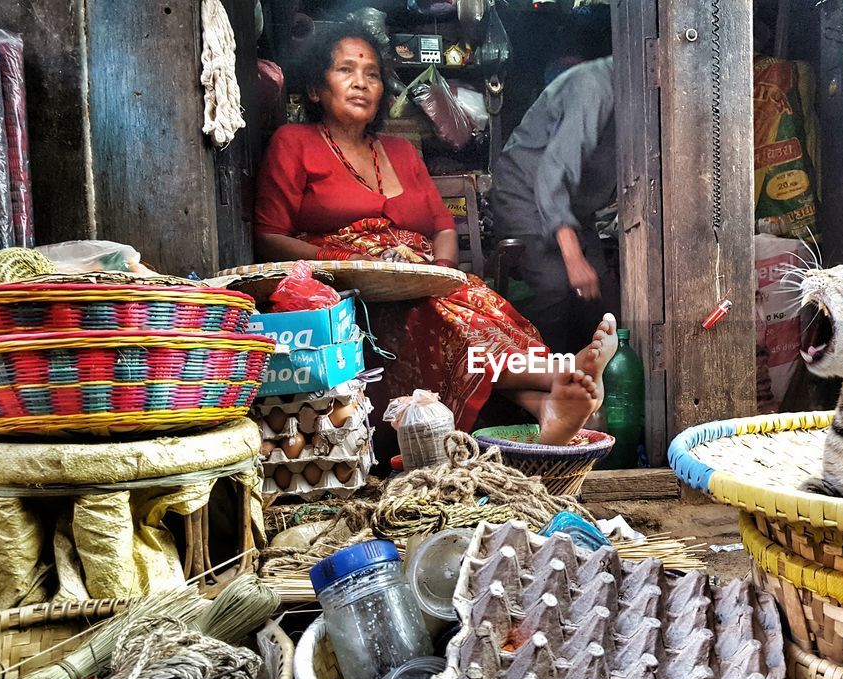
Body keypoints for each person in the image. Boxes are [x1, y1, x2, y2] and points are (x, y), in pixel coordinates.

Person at [253, 28, 616, 444]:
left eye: (372, 75)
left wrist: (440, 273)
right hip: (350, 292)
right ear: (316, 89)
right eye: (346, 70)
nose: (361, 83)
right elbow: (269, 236)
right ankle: (559, 372)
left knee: (481, 308)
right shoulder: (293, 143)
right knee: (441, 321)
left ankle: (545, 406)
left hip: (419, 280)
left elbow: (443, 226)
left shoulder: (401, 152)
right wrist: (349, 263)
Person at [490, 15, 616, 353]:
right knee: (557, 286)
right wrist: (574, 257)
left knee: (601, 296)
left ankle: (597, 386)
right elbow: (553, 173)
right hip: (524, 192)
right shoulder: (593, 86)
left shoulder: (644, 100)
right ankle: (546, 390)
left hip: (571, 205)